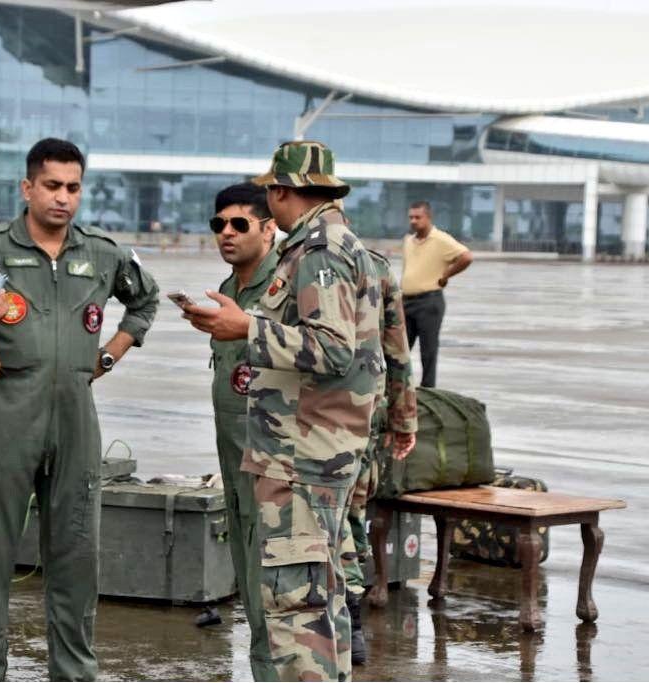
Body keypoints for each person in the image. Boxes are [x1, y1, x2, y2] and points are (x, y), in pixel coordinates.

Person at [0, 138, 159, 681]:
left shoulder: (101, 251)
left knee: (76, 557)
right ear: (27, 187)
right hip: (5, 414)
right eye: (52, 186)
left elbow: (144, 300)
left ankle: (73, 674)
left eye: (73, 188)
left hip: (76, 417)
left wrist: (113, 353)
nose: (63, 198)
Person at [184, 140, 382, 681]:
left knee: (295, 612)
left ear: (282, 192)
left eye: (270, 191)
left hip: (303, 457)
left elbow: (333, 349)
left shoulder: (319, 251)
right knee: (323, 605)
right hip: (318, 451)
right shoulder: (332, 244)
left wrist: (246, 328)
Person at [204, 182, 278, 680]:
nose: (226, 234)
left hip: (280, 468)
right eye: (218, 225)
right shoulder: (227, 292)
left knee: (277, 593)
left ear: (269, 228)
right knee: (251, 587)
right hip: (237, 465)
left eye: (239, 224)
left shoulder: (288, 287)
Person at [339, 249, 418, 665]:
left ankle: (348, 619)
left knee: (342, 519)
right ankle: (350, 623)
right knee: (350, 516)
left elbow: (397, 348)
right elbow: (398, 351)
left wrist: (403, 419)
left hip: (339, 415)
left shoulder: (297, 257)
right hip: (364, 411)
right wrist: (403, 419)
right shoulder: (376, 265)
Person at [401, 201, 473, 388]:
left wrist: (446, 275)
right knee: (399, 349)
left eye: (418, 217)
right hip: (406, 301)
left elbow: (466, 257)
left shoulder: (440, 239)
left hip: (429, 301)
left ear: (428, 218)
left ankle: (427, 389)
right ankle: (398, 388)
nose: (414, 221)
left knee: (428, 350)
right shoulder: (408, 241)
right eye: (411, 217)